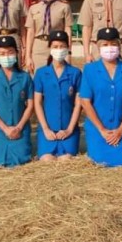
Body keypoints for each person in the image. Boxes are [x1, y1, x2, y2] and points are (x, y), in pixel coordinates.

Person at [79, 27, 122, 167]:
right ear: (98, 47)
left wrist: (121, 129)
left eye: (113, 44)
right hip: (98, 129)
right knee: (99, 162)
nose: (109, 48)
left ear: (119, 45)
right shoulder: (89, 69)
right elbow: (85, 102)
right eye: (105, 45)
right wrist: (102, 129)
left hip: (121, 128)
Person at [0, 36, 34, 167]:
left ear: (16, 53)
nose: (7, 56)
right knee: (0, 161)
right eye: (2, 53)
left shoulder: (25, 77)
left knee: (22, 160)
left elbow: (30, 105)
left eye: (10, 52)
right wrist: (5, 129)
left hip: (20, 129)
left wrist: (19, 127)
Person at [33, 31, 82, 161]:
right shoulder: (41, 73)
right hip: (47, 129)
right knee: (47, 159)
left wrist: (69, 129)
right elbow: (37, 102)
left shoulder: (75, 73)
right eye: (55, 46)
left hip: (68, 130)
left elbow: (78, 104)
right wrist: (45, 129)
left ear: (68, 48)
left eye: (62, 46)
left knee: (66, 160)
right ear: (49, 48)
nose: (59, 50)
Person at [25, 0, 73, 74]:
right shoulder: (33, 7)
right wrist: (28, 56)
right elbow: (30, 32)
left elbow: (68, 30)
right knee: (38, 77)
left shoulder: (64, 6)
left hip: (58, 46)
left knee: (59, 75)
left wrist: (68, 52)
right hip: (39, 47)